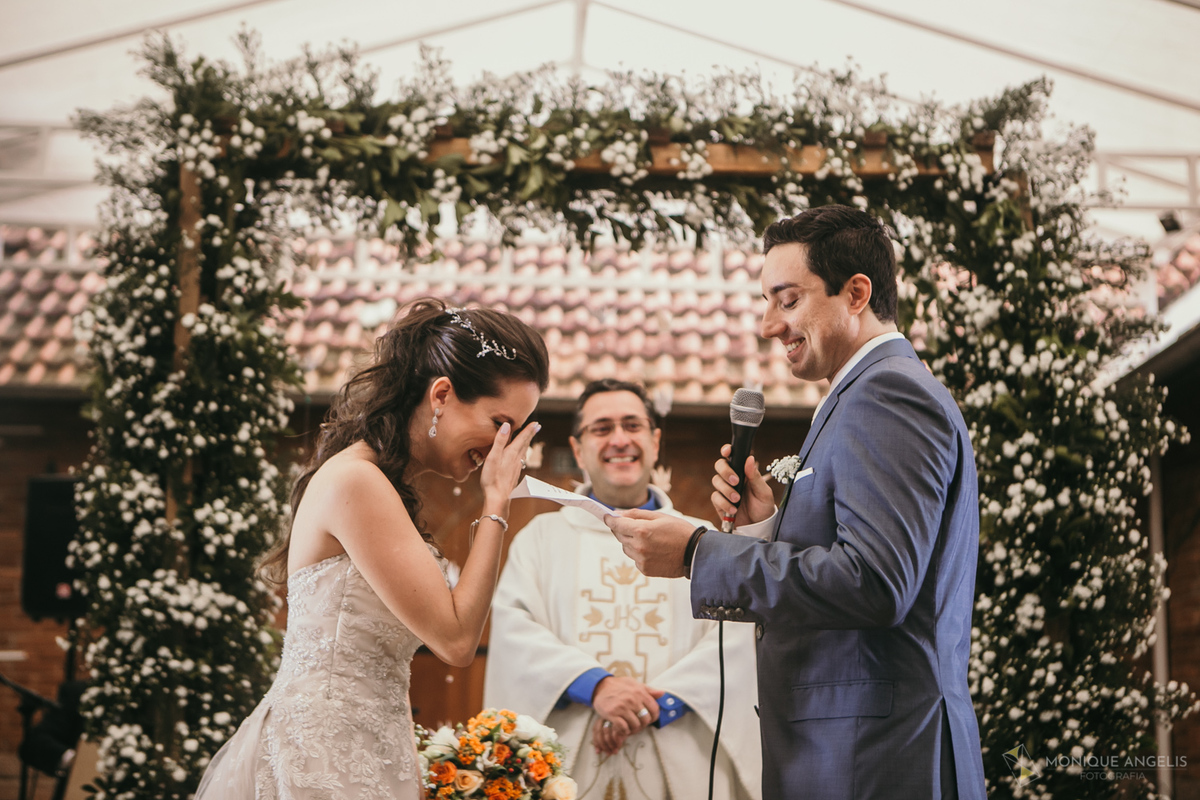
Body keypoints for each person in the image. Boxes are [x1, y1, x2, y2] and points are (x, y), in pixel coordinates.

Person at [606, 205, 987, 800]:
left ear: (856, 293)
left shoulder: (885, 393)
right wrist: (766, 526)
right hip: (856, 749)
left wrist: (697, 553)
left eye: (787, 300)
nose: (768, 325)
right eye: (767, 302)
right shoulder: (867, 390)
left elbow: (876, 582)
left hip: (872, 759)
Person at [196, 298, 549, 800]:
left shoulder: (377, 482)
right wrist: (496, 502)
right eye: (501, 424)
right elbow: (455, 641)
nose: (506, 449)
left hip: (370, 747)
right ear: (442, 394)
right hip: (323, 755)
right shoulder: (357, 482)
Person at [484, 379, 761, 800]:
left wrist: (654, 705)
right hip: (569, 762)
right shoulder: (540, 540)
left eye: (632, 425)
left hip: (680, 754)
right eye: (602, 428)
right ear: (578, 450)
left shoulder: (702, 539)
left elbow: (734, 641)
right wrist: (596, 686)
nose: (619, 440)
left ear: (655, 441)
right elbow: (514, 635)